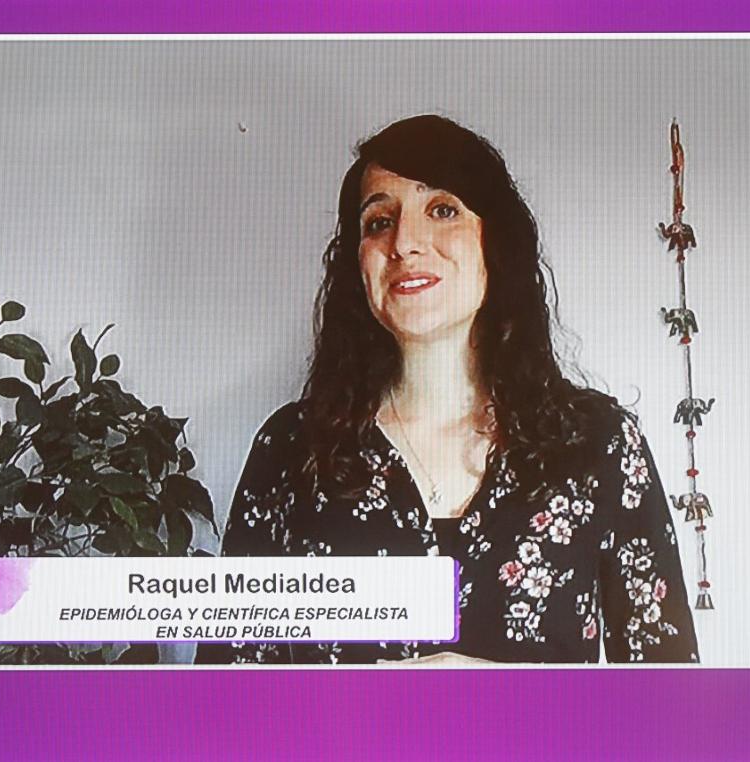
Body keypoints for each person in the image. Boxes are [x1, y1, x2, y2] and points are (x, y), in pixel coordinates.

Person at [197, 115, 698, 665]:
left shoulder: (598, 444)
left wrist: (504, 697)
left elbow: (668, 693)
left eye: (442, 210)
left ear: (494, 240)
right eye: (379, 221)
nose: (405, 243)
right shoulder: (292, 449)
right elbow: (227, 693)